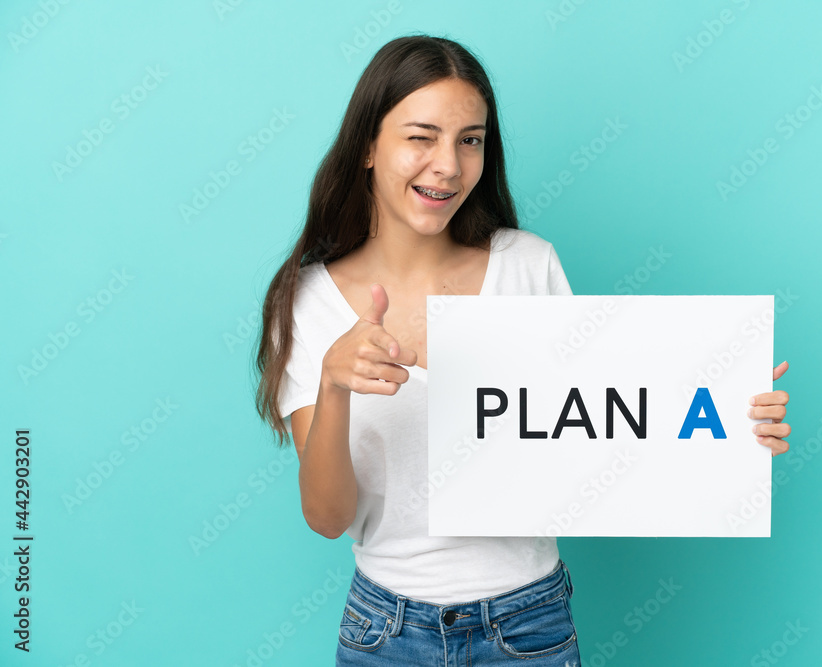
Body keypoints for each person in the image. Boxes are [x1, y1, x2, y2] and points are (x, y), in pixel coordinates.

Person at [254, 34, 791, 666]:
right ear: (369, 146)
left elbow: (602, 429)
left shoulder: (527, 265)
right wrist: (333, 385)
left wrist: (727, 420)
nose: (448, 165)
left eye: (470, 139)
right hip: (386, 634)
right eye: (420, 137)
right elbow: (326, 515)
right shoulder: (307, 302)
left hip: (528, 624)